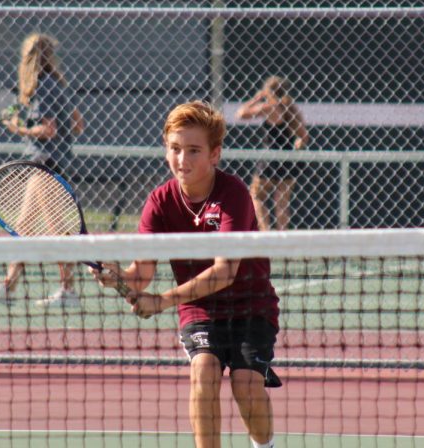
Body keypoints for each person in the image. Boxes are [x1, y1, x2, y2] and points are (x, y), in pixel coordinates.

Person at [92, 101, 280, 448]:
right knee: (204, 373)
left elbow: (224, 272)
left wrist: (161, 302)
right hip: (200, 311)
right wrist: (119, 277)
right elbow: (141, 276)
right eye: (175, 149)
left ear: (214, 155)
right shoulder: (159, 202)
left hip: (252, 308)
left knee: (246, 385)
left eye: (194, 150)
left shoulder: (234, 194)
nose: (182, 159)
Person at [0, 32, 85, 308]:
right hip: (50, 163)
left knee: (57, 228)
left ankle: (68, 291)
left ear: (28, 58)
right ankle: (8, 287)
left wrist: (18, 128)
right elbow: (78, 124)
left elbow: (49, 129)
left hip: (45, 164)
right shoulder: (58, 85)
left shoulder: (44, 87)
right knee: (23, 227)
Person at [236, 76, 309, 231]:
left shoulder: (269, 108)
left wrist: (256, 99)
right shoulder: (292, 109)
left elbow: (241, 113)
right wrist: (297, 144)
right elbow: (303, 136)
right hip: (289, 159)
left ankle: (266, 232)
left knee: (257, 195)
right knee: (282, 201)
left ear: (268, 92)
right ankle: (282, 235)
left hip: (271, 159)